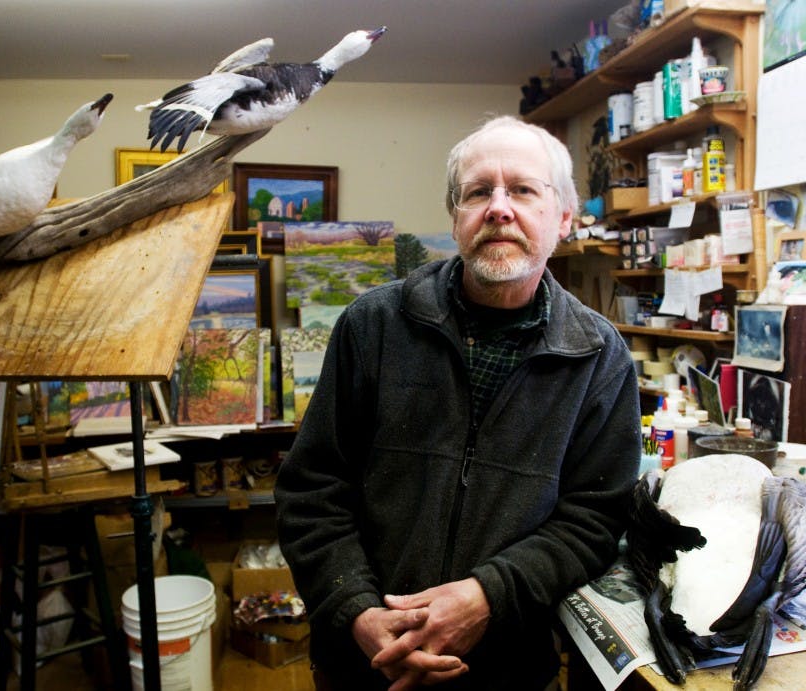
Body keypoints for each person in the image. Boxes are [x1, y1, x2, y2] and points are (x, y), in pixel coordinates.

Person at [274, 115, 641, 690]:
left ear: (563, 218)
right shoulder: (372, 326)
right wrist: (359, 613)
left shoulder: (599, 356)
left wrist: (488, 596)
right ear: (457, 217)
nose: (499, 207)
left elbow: (594, 518)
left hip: (505, 668)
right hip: (364, 663)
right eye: (478, 192)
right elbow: (313, 491)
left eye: (522, 189)